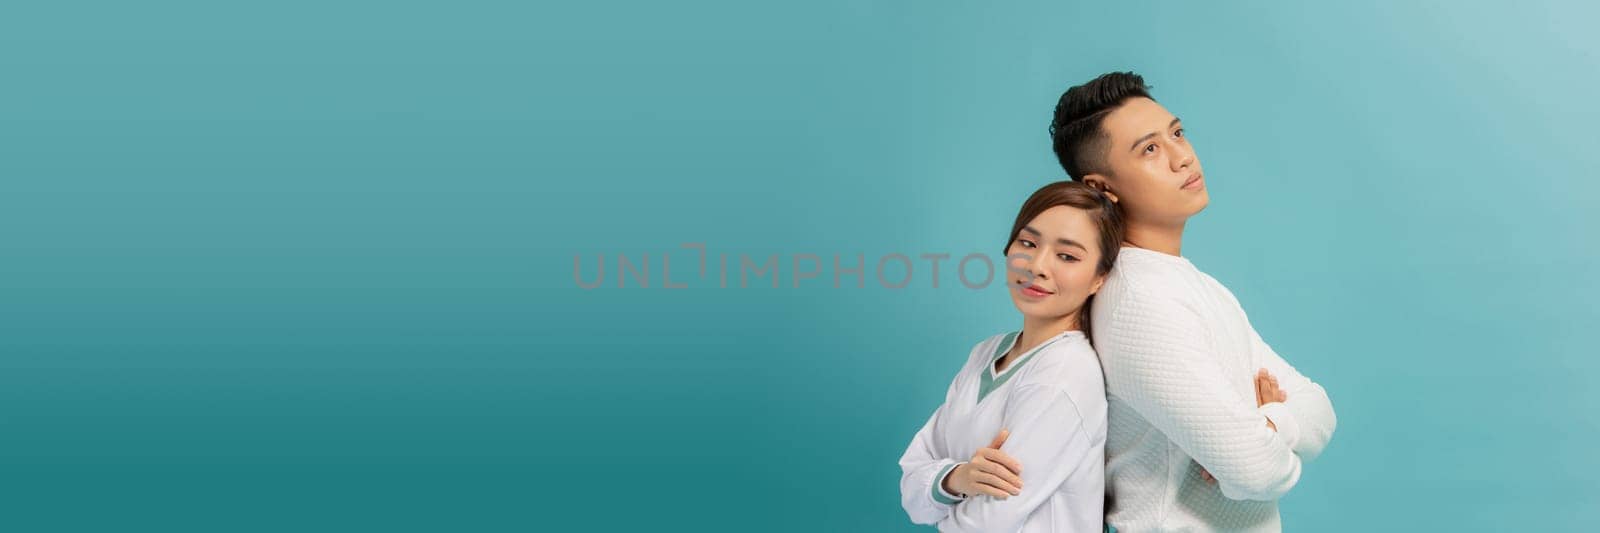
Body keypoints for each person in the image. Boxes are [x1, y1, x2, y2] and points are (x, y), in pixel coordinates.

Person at [1048, 71, 1338, 531]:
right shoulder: (1140, 302)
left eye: (1177, 133)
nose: (1182, 157)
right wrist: (1256, 437)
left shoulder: (1191, 285)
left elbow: (1319, 408)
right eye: (1150, 149)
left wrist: (1271, 424)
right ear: (1103, 188)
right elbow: (1255, 470)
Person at [899, 181, 1122, 532]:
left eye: (1067, 256)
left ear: (1099, 278)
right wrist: (958, 477)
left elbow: (985, 524)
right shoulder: (987, 352)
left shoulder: (1065, 374)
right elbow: (912, 487)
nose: (1037, 266)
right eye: (1028, 243)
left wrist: (943, 484)